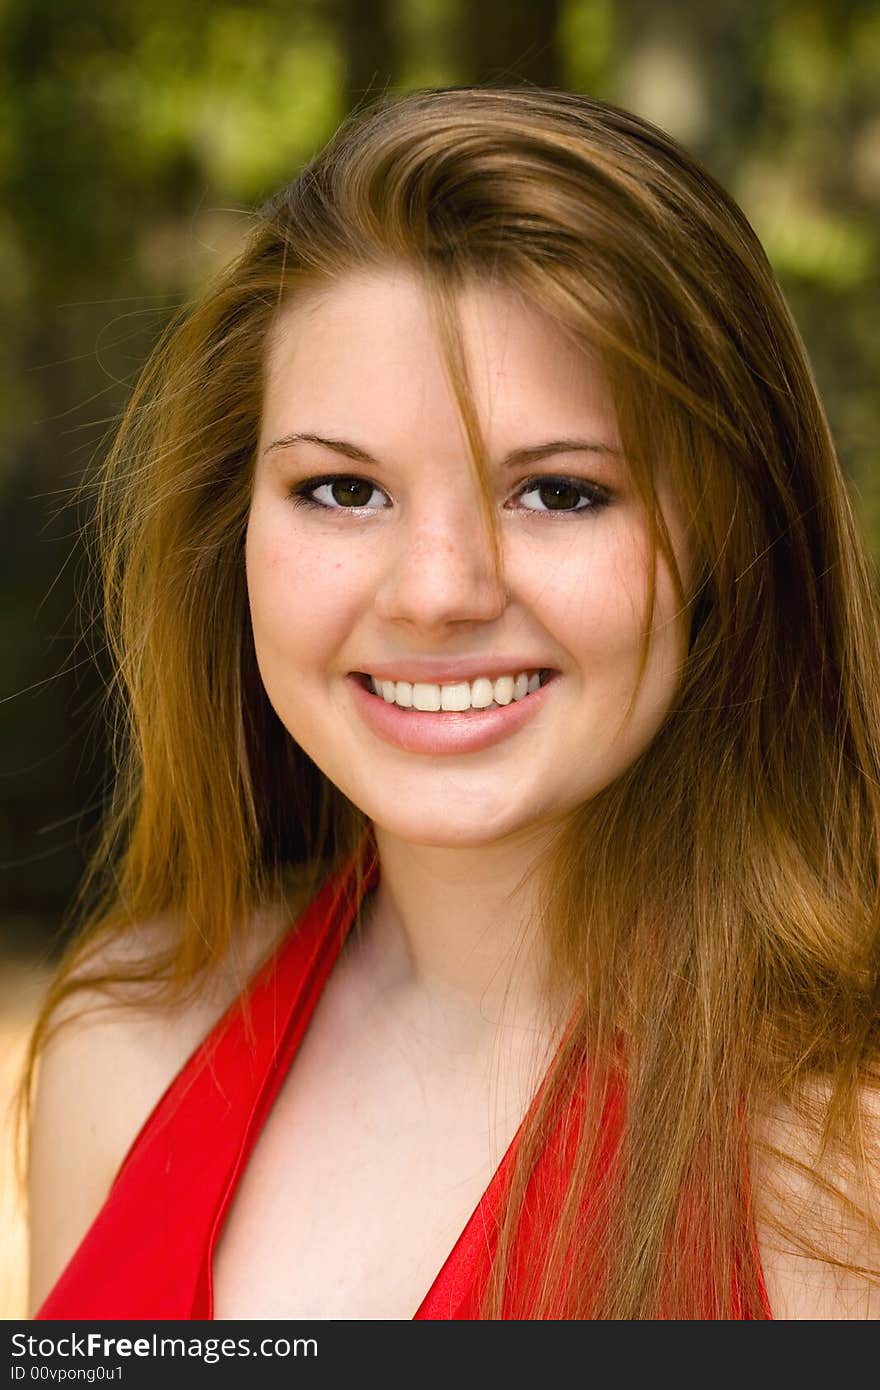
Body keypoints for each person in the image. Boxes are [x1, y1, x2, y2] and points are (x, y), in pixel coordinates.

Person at [20, 85, 880, 1321]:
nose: (437, 592)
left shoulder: (837, 1166)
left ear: (725, 540)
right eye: (340, 490)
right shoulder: (121, 1052)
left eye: (561, 494)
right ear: (236, 532)